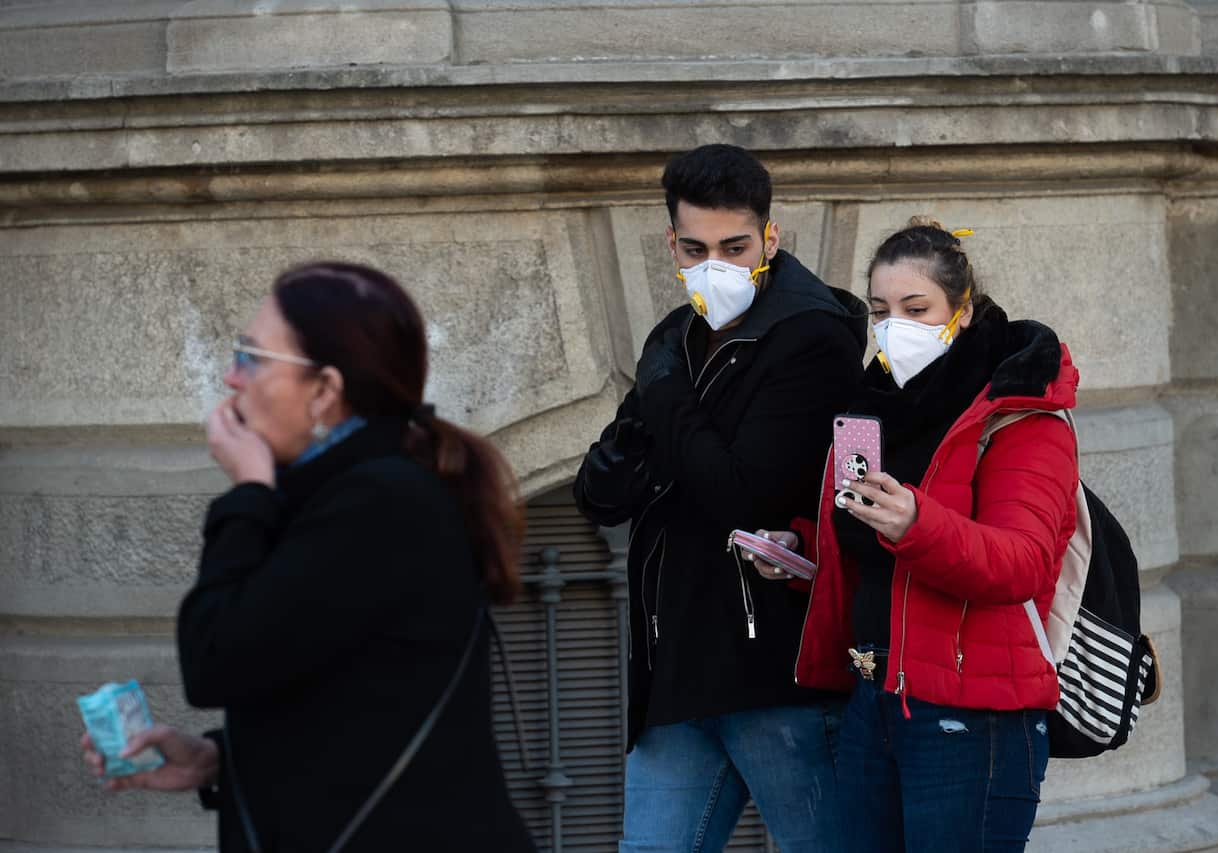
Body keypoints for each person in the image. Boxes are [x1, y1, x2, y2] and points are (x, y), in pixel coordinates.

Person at [80, 262, 536, 853]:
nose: (230, 377)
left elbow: (214, 658)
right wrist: (212, 759)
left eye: (251, 357)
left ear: (324, 390)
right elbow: (348, 698)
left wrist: (247, 494)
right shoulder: (347, 491)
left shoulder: (376, 502)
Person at [573, 144, 868, 851]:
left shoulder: (810, 334)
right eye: (698, 247)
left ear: (771, 236)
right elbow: (601, 495)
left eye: (736, 246)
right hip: (677, 673)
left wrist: (664, 391)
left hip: (775, 677)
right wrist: (648, 420)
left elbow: (743, 491)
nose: (718, 265)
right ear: (671, 242)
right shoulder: (678, 337)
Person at [756, 217, 1080, 852]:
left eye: (916, 307)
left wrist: (916, 524)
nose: (893, 325)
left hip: (973, 713)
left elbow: (1024, 564)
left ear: (963, 310)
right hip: (874, 699)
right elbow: (870, 555)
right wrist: (801, 549)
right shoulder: (873, 407)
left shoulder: (1019, 417)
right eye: (879, 309)